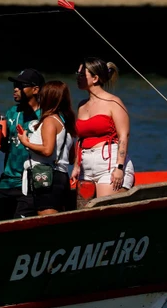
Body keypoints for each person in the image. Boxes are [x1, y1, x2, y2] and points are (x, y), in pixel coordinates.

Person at [72, 57, 134, 197]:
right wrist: (76, 166)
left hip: (109, 163)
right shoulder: (82, 105)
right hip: (86, 165)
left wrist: (119, 167)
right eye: (78, 74)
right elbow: (80, 139)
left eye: (82, 75)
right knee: (85, 210)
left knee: (105, 207)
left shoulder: (113, 102)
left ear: (95, 78)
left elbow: (123, 136)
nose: (78, 78)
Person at [0, 68, 45, 221]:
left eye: (21, 86)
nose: (15, 89)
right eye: (15, 85)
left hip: (29, 184)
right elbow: (7, 147)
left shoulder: (46, 114)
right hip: (7, 182)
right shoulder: (12, 112)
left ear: (35, 89)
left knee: (19, 225)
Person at [17, 81, 77, 215]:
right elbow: (72, 158)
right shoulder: (66, 124)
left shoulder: (50, 121)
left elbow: (47, 150)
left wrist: (25, 142)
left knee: (48, 224)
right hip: (61, 176)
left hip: (46, 178)